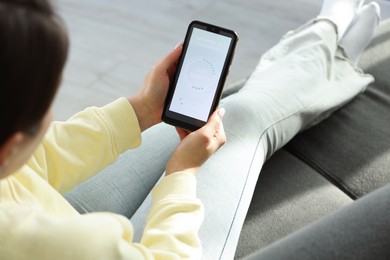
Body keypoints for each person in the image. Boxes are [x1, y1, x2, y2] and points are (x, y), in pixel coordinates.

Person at [0, 0, 381, 259]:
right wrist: (182, 176)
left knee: (206, 113)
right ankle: (329, 45)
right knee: (241, 123)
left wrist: (138, 111)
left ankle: (324, 46)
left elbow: (33, 162)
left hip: (55, 214)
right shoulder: (32, 241)